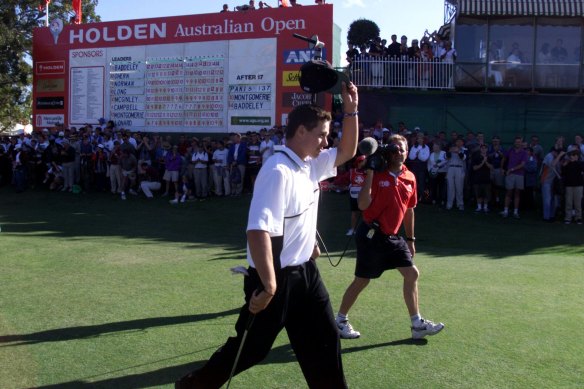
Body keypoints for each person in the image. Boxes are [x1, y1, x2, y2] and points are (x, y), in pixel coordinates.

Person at [176, 82, 359, 389]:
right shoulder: (278, 170)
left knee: (325, 342)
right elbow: (258, 229)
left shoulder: (309, 164)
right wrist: (270, 284)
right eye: (321, 135)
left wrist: (351, 110)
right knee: (251, 349)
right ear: (301, 131)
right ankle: (193, 385)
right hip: (274, 277)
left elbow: (348, 151)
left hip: (306, 275)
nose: (326, 142)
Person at [335, 133, 444, 341]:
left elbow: (410, 210)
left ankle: (416, 324)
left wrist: (411, 240)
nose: (399, 152)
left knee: (412, 274)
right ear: (389, 152)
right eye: (395, 149)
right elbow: (362, 205)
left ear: (407, 151)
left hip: (393, 238)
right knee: (362, 280)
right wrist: (370, 173)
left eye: (402, 148)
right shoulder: (377, 173)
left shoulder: (410, 177)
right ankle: (340, 320)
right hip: (371, 234)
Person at [500, 137, 528, 219]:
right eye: (516, 142)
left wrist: (512, 169)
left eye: (519, 142)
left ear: (521, 143)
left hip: (519, 175)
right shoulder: (510, 150)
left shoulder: (524, 152)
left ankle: (515, 212)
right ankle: (505, 211)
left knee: (517, 193)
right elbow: (504, 158)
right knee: (509, 192)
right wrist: (502, 168)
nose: (517, 143)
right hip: (510, 175)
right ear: (514, 142)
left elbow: (522, 164)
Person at [346, 155, 367, 236]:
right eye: (361, 161)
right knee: (354, 212)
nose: (363, 163)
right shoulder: (352, 171)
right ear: (358, 163)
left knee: (365, 213)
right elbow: (344, 179)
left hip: (364, 194)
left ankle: (365, 230)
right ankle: (353, 229)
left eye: (364, 162)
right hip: (354, 194)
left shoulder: (368, 172)